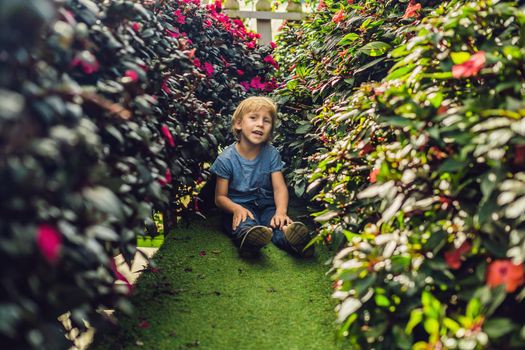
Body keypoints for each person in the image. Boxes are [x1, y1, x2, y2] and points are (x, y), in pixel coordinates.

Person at [210, 96, 314, 257]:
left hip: (266, 205)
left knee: (278, 222)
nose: (260, 124)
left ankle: (293, 241)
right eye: (253, 118)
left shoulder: (271, 153)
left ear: (270, 130)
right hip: (240, 206)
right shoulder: (226, 159)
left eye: (266, 121)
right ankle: (249, 239)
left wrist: (280, 211)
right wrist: (236, 209)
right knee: (244, 223)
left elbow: (279, 188)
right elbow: (220, 197)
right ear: (239, 123)